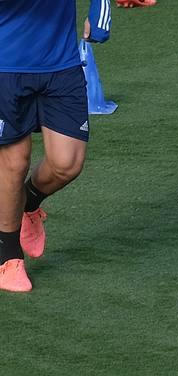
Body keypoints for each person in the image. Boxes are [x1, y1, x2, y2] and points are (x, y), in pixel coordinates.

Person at [0, 1, 112, 292]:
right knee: (15, 160)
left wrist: (100, 11)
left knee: (67, 163)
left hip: (61, 63)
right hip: (6, 64)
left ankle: (27, 203)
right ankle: (8, 257)